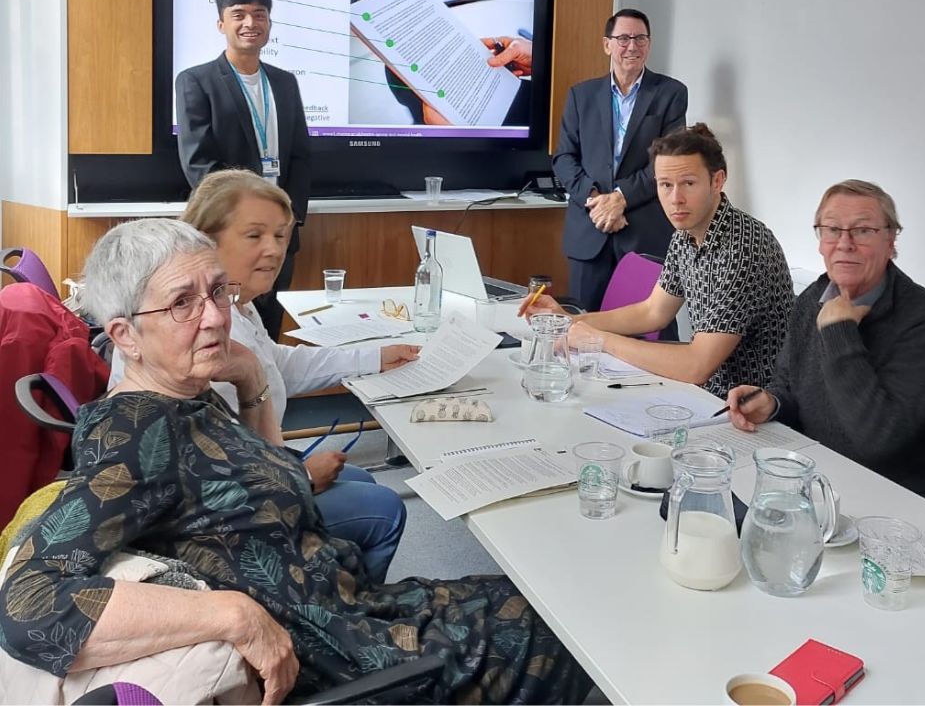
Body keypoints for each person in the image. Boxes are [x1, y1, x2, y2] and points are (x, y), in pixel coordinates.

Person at [0, 219, 592, 704]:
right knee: (568, 630)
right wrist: (230, 615)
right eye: (183, 303)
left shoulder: (184, 395)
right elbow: (27, 602)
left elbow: (275, 479)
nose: (214, 316)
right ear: (126, 336)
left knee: (547, 595)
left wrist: (254, 379)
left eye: (216, 291)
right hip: (343, 657)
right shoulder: (137, 436)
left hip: (353, 609)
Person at [107, 170, 416, 584]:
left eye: (281, 235)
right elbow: (206, 479)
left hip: (248, 473)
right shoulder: (201, 328)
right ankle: (347, 608)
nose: (274, 250)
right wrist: (302, 476)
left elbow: (278, 365)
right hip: (213, 519)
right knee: (385, 508)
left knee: (361, 477)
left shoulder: (234, 303)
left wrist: (374, 357)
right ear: (206, 240)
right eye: (254, 236)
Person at [725, 180, 925, 496]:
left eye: (863, 230)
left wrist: (840, 333)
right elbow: (789, 384)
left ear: (891, 240)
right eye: (832, 230)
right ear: (820, 240)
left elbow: (878, 441)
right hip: (816, 476)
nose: (844, 243)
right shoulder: (812, 299)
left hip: (900, 498)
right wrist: (771, 403)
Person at [523, 123, 793, 397]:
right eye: (665, 185)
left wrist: (597, 339)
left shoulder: (743, 248)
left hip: (753, 408)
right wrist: (570, 321)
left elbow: (696, 366)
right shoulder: (684, 234)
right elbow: (653, 312)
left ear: (717, 181)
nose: (676, 199)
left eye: (688, 183)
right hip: (708, 396)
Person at [176, 0, 312, 340]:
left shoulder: (284, 83)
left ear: (268, 22)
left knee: (270, 329)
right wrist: (245, 219)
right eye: (238, 15)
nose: (250, 22)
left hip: (280, 232)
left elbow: (300, 154)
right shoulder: (196, 81)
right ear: (221, 24)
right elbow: (199, 165)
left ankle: (271, 396)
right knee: (226, 327)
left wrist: (289, 217)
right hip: (231, 234)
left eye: (259, 14)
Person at [553, 8, 688, 311]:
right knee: (582, 329)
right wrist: (596, 200)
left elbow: (668, 161)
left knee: (644, 335)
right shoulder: (581, 96)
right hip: (590, 230)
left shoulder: (670, 93)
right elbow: (564, 158)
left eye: (640, 38)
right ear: (607, 45)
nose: (632, 46)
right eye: (624, 38)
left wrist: (621, 197)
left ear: (649, 45)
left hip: (642, 234)